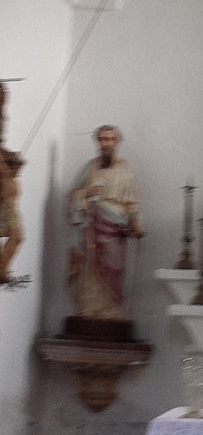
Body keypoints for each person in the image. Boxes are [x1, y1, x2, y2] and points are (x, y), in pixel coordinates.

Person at [68, 125, 144, 319]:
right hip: (91, 226)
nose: (106, 143)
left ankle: (111, 311)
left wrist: (135, 225)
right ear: (98, 142)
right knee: (89, 268)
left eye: (110, 139)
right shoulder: (89, 168)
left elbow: (133, 203)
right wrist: (86, 192)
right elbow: (72, 195)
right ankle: (88, 310)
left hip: (115, 228)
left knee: (114, 268)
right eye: (102, 139)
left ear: (117, 142)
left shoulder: (126, 171)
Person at [0, 83, 24, 285]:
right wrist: (7, 170)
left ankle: (2, 269)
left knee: (17, 235)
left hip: (7, 197)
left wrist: (12, 158)